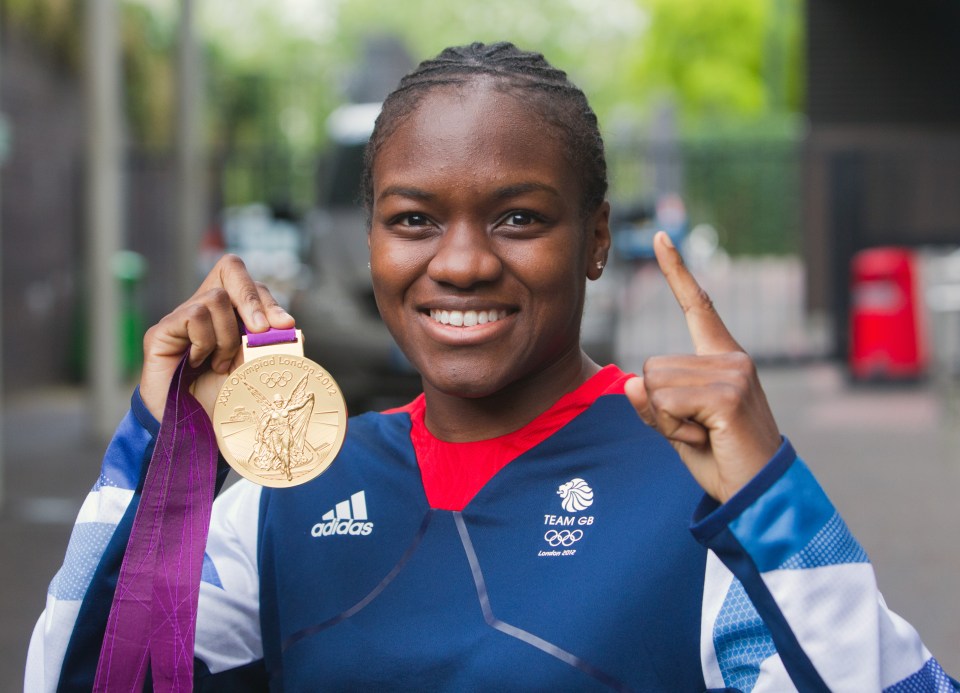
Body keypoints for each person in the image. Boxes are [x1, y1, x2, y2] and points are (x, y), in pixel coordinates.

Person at [25, 42, 956, 692]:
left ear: (595, 240)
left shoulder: (706, 487)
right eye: (414, 219)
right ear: (374, 241)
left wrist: (776, 510)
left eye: (518, 217)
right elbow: (85, 678)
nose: (462, 261)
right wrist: (161, 455)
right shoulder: (289, 489)